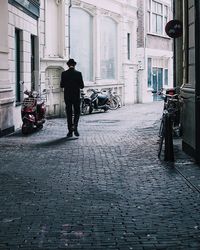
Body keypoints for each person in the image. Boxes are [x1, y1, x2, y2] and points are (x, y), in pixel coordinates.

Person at [60, 59, 84, 137]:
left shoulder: (64, 74)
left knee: (69, 113)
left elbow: (62, 85)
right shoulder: (78, 73)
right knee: (77, 112)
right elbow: (82, 86)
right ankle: (75, 128)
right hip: (76, 96)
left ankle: (70, 131)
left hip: (67, 96)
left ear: (68, 65)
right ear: (74, 65)